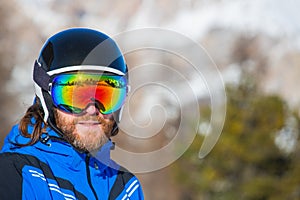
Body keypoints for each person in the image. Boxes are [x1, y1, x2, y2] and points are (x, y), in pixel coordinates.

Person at [0, 28, 144, 200]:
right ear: (47, 97)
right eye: (74, 96)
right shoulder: (17, 175)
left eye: (105, 95)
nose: (91, 109)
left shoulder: (126, 188)